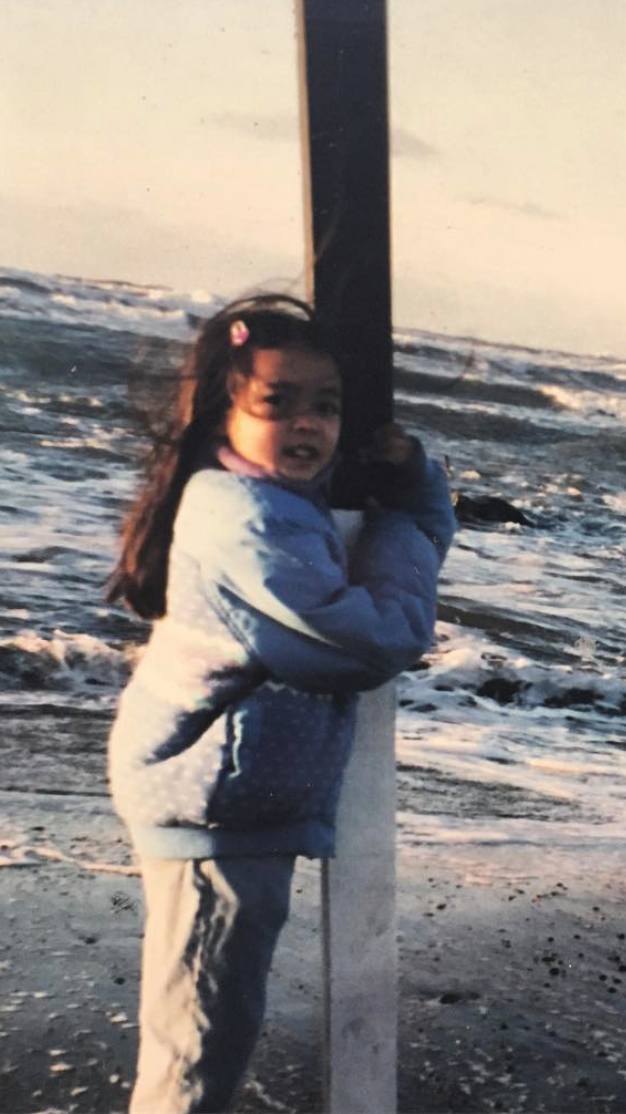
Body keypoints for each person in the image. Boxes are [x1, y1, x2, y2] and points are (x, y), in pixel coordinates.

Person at [105, 293, 455, 1113]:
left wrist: (412, 488)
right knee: (194, 1051)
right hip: (211, 808)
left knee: (211, 1031)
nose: (307, 423)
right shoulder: (244, 519)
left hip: (233, 798)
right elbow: (365, 640)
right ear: (225, 407)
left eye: (325, 406)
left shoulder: (279, 505)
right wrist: (403, 528)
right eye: (277, 402)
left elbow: (410, 546)